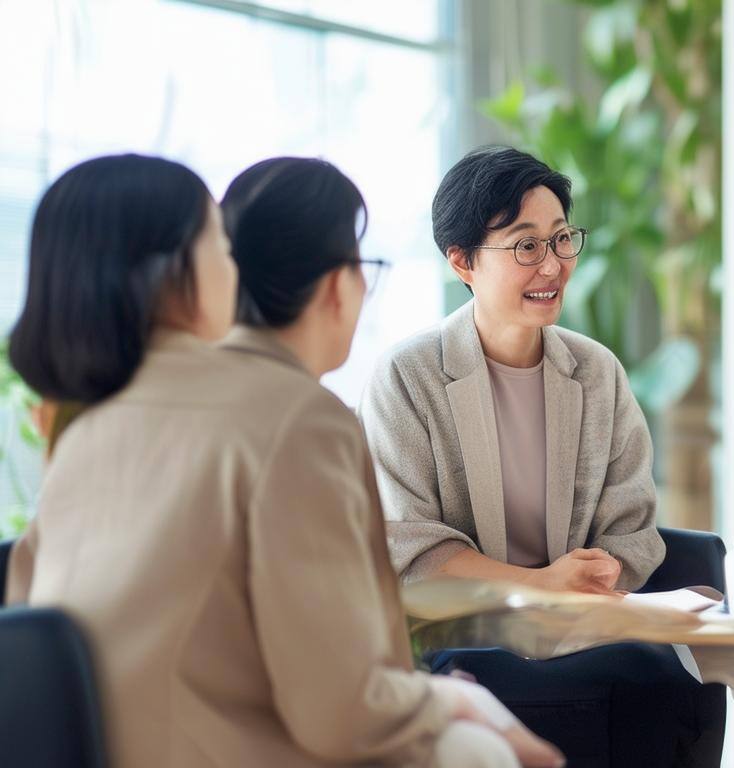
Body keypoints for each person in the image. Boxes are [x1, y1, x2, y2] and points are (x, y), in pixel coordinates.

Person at [5, 153, 561, 767]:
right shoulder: (302, 417)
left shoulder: (92, 422)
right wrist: (453, 707)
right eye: (218, 243)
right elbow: (340, 709)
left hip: (92, 746)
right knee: (483, 747)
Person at [361, 146, 715, 765]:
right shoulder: (406, 376)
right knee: (641, 678)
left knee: (664, 673)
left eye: (561, 240)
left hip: (585, 630)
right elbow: (407, 549)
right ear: (463, 260)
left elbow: (631, 525)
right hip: (461, 638)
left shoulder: (596, 371)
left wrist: (588, 585)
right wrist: (539, 588)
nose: (551, 265)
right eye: (526, 246)